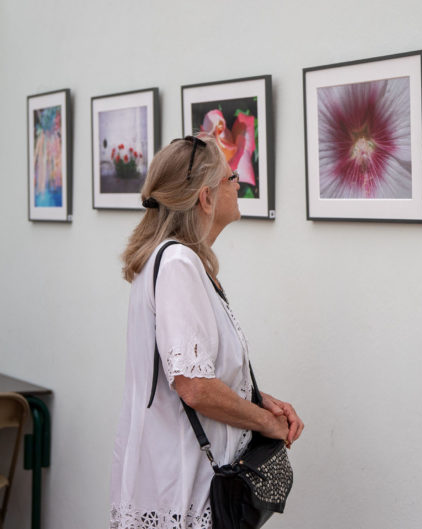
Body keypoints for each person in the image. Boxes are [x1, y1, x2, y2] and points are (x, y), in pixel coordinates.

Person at [110, 135, 303, 529]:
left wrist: (258, 399)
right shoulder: (178, 261)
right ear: (205, 197)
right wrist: (265, 423)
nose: (238, 185)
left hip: (175, 478)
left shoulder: (171, 258)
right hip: (184, 485)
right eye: (231, 178)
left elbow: (194, 370)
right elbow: (194, 387)